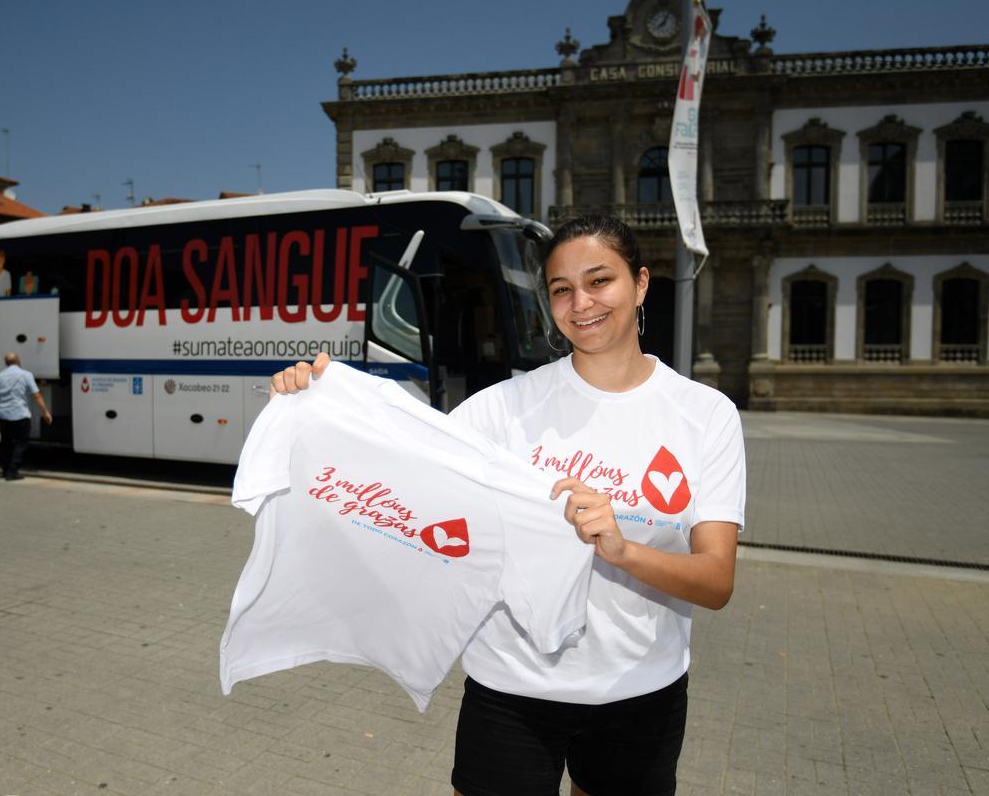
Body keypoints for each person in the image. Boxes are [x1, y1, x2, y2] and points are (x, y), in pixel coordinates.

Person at [270, 213, 746, 796]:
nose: (581, 303)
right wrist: (320, 406)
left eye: (600, 281)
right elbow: (398, 474)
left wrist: (622, 550)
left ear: (641, 284)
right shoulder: (500, 409)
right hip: (513, 689)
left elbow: (716, 581)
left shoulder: (704, 414)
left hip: (639, 691)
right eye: (561, 289)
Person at [0, 352, 53, 480]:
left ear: (6, 363)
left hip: (4, 415)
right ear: (18, 361)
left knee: (5, 443)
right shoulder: (26, 375)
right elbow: (36, 395)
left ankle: (5, 470)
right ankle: (12, 472)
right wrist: (45, 412)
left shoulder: (0, 376)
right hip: (20, 415)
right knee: (21, 443)